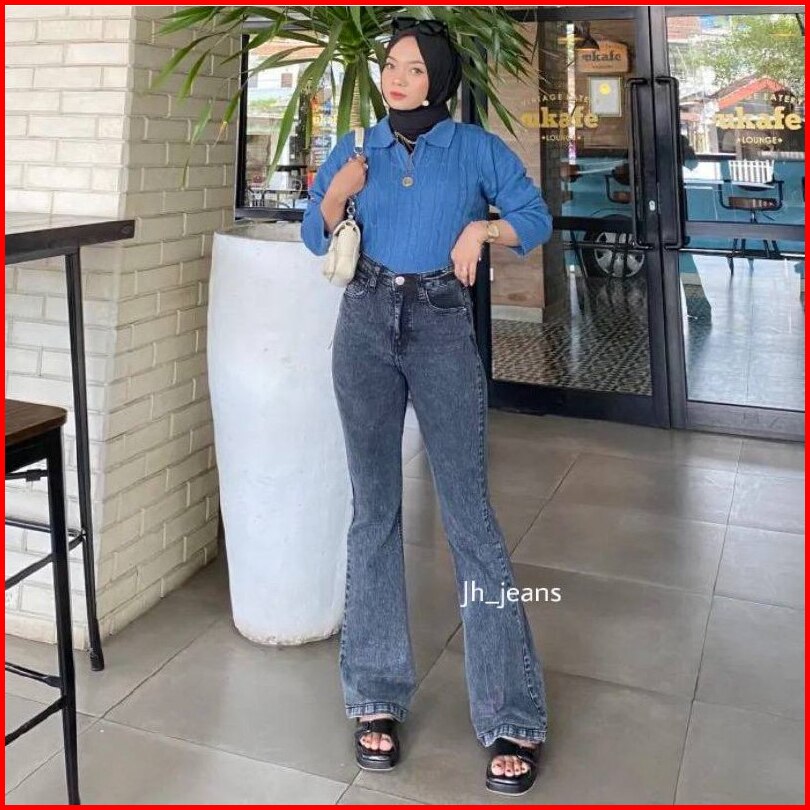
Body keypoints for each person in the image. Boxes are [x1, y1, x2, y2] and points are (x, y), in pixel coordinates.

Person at [301, 16, 552, 797]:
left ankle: (512, 712)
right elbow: (314, 236)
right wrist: (337, 194)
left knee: (470, 518)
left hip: (442, 325)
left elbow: (536, 219)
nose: (397, 78)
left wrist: (482, 227)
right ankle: (374, 698)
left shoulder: (474, 148)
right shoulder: (356, 145)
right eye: (390, 65)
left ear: (439, 78)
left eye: (413, 68)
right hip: (364, 324)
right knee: (372, 512)